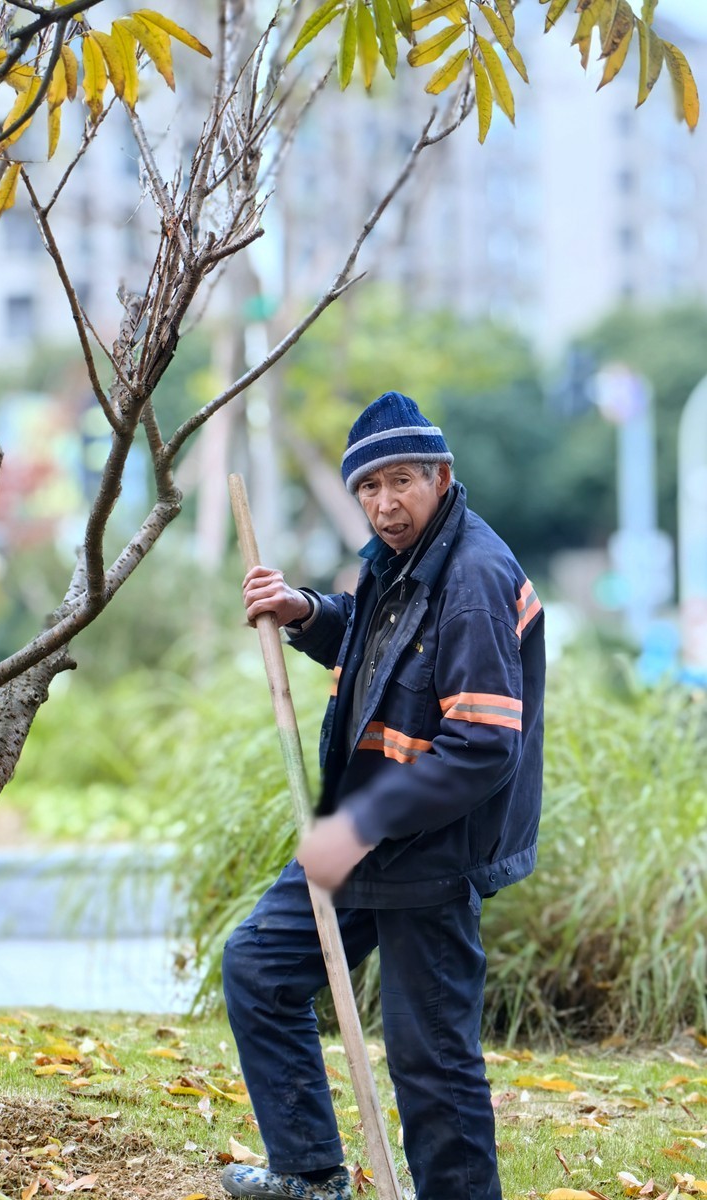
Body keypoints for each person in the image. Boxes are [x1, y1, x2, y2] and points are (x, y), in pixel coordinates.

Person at [220, 391, 545, 1200]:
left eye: (400, 482)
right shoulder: (399, 558)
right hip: (368, 836)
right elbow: (378, 644)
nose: (383, 503)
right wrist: (304, 612)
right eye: (368, 488)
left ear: (441, 476)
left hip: (425, 847)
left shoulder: (470, 575)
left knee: (430, 1063)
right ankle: (310, 1173)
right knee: (260, 966)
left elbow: (482, 748)